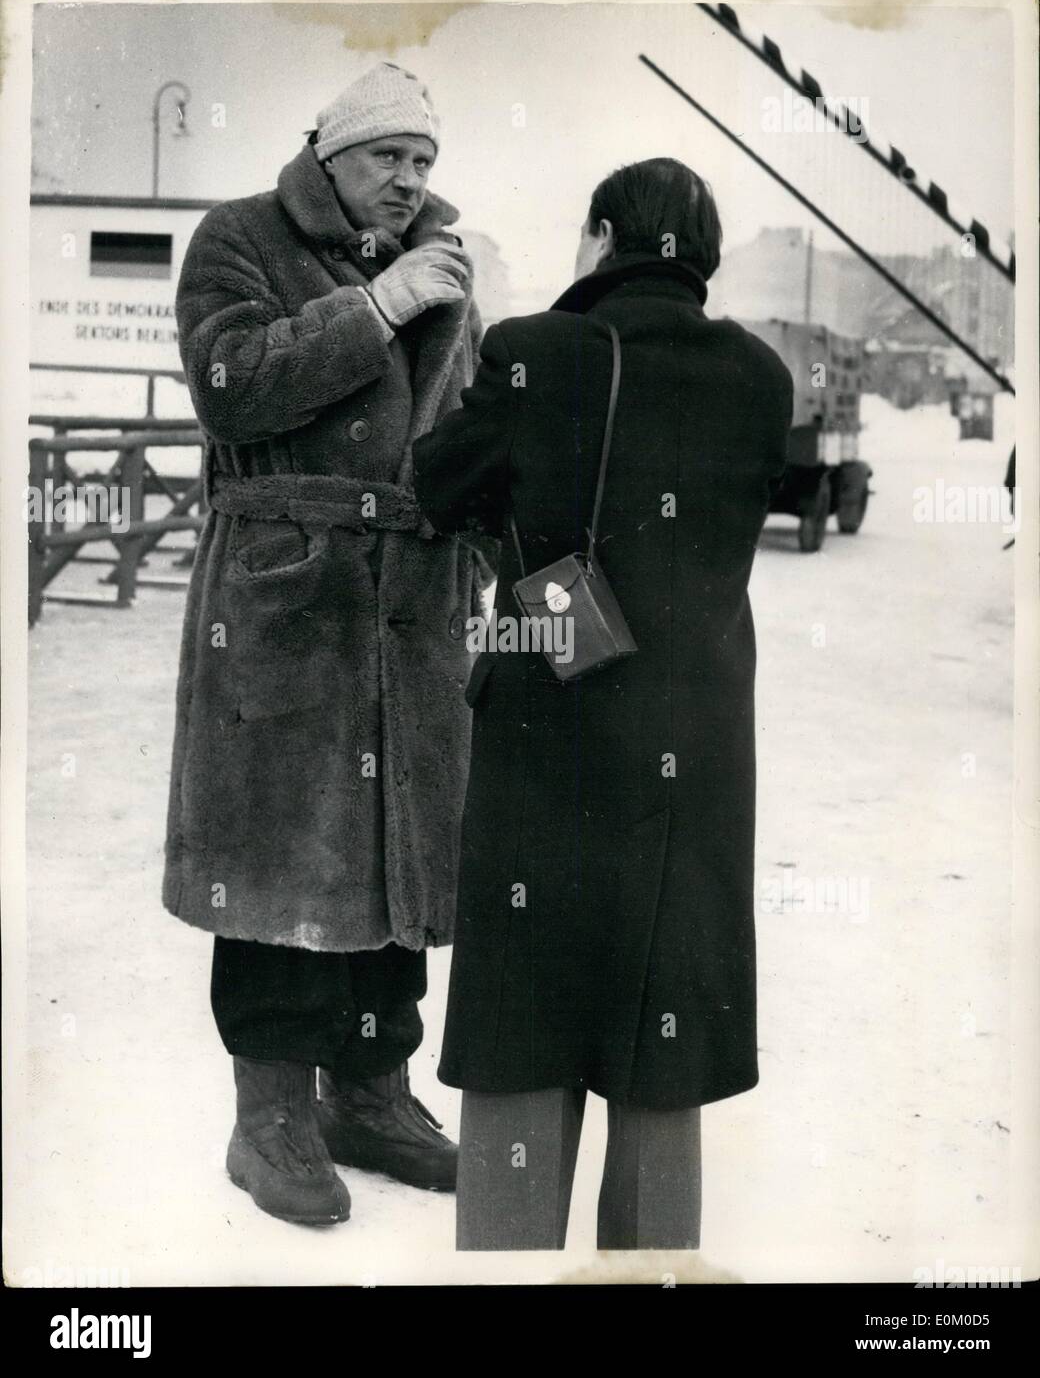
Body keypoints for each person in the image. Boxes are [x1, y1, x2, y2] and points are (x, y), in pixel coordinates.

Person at [413, 158, 793, 1250]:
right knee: (660, 1024)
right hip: (698, 742)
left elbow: (442, 487)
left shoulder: (532, 352)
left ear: (599, 235)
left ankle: (508, 1266)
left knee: (527, 1018)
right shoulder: (762, 376)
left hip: (554, 732)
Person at [163, 62, 491, 1226]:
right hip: (284, 598)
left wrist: (522, 584)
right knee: (277, 861)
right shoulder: (239, 239)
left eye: (423, 161)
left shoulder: (452, 265)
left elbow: (464, 435)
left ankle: (369, 1090)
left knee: (394, 858)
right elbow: (230, 386)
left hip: (410, 599)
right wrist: (380, 305)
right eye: (387, 155)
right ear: (330, 153)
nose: (408, 179)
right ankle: (270, 1116)